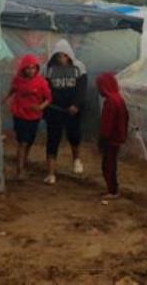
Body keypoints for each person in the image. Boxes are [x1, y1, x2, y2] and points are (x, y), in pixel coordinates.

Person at [43, 39, 88, 185]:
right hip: (54, 110)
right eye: (58, 56)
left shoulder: (79, 68)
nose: (61, 58)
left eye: (63, 55)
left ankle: (76, 160)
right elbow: (45, 89)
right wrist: (47, 105)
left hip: (72, 110)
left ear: (69, 55)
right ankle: (51, 173)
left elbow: (82, 88)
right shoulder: (48, 69)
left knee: (74, 136)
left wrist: (76, 104)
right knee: (52, 139)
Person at [2, 54, 51, 180]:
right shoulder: (18, 80)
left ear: (37, 69)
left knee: (29, 142)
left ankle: (23, 164)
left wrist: (40, 107)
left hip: (34, 116)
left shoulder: (41, 82)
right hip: (20, 114)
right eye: (28, 68)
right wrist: (5, 99)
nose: (31, 71)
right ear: (23, 68)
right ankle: (20, 169)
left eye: (33, 68)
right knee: (22, 142)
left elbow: (48, 99)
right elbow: (12, 90)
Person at [96, 72, 129, 200]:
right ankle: (113, 189)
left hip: (110, 140)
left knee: (108, 165)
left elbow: (106, 124)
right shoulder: (119, 99)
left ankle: (112, 190)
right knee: (112, 164)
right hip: (117, 139)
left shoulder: (110, 102)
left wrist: (101, 140)